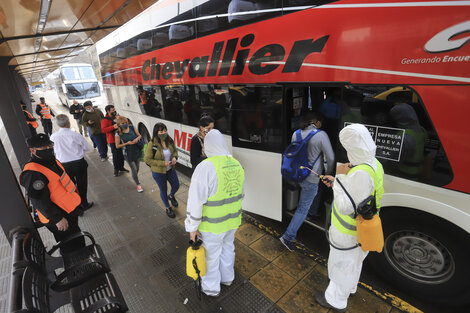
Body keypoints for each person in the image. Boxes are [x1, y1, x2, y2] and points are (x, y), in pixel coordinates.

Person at [314, 124, 384, 312]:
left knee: (342, 264)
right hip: (364, 228)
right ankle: (349, 288)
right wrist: (338, 181)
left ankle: (335, 300)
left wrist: (338, 180)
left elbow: (346, 206)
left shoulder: (360, 173)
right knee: (355, 262)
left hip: (348, 231)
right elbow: (361, 196)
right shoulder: (375, 164)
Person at [185, 129, 245, 297]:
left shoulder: (205, 167)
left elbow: (195, 201)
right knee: (228, 249)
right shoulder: (236, 164)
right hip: (232, 221)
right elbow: (242, 194)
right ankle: (227, 278)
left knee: (210, 256)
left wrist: (192, 228)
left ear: (208, 146)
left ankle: (211, 288)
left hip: (211, 225)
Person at [20, 133, 86, 255]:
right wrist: (57, 219)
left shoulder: (51, 161)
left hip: (68, 210)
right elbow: (39, 200)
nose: (48, 149)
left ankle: (84, 260)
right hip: (58, 216)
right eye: (43, 148)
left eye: (50, 145)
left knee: (77, 239)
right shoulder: (33, 172)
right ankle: (76, 270)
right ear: (32, 150)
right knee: (69, 246)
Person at [280, 112, 335, 251]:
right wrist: (328, 173)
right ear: (316, 122)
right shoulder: (321, 135)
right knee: (302, 208)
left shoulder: (296, 133)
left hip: (297, 174)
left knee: (304, 201)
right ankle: (288, 237)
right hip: (311, 177)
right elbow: (331, 157)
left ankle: (313, 211)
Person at [50, 114, 93, 211]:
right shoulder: (75, 134)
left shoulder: (53, 137)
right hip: (79, 163)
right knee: (82, 184)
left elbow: (52, 152)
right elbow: (87, 147)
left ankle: (76, 207)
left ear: (58, 124)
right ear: (68, 123)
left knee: (69, 186)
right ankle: (84, 203)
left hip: (64, 165)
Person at [144, 123, 179, 218]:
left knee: (176, 185)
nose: (164, 133)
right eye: (161, 131)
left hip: (170, 169)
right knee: (163, 190)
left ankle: (171, 196)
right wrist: (163, 163)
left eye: (165, 131)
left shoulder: (169, 140)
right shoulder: (152, 144)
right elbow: (147, 160)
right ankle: (168, 208)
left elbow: (175, 151)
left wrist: (175, 157)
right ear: (156, 133)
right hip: (158, 172)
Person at [115, 116, 143, 192]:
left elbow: (140, 135)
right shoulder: (118, 134)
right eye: (123, 123)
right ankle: (138, 184)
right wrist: (127, 143)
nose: (125, 124)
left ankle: (135, 177)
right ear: (119, 124)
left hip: (136, 150)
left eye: (126, 122)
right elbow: (117, 146)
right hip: (127, 153)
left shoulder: (132, 127)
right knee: (133, 168)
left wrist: (136, 139)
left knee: (137, 167)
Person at [101, 105, 128, 177]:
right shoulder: (105, 120)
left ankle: (121, 167)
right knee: (116, 155)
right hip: (112, 140)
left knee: (121, 154)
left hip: (120, 138)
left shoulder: (117, 116)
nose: (114, 111)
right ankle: (116, 170)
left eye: (114, 109)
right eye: (112, 110)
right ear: (108, 111)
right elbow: (103, 130)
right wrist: (113, 127)